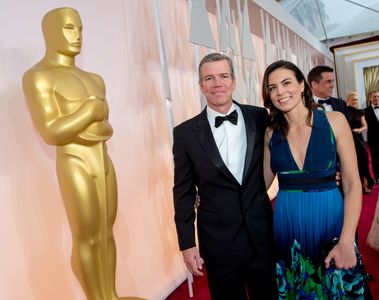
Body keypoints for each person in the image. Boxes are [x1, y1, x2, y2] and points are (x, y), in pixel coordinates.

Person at [22, 8, 142, 300]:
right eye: (67, 29)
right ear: (50, 32)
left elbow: (106, 128)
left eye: (79, 29)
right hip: (74, 159)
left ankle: (110, 295)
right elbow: (51, 131)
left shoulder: (94, 79)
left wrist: (91, 122)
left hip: (102, 158)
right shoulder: (39, 77)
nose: (76, 36)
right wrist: (90, 111)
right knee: (87, 236)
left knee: (106, 232)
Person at [172, 53, 277, 299]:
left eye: (223, 76)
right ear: (201, 86)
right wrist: (187, 243)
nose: (217, 83)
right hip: (218, 242)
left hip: (261, 233)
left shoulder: (260, 117)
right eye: (209, 78)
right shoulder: (185, 133)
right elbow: (183, 192)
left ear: (234, 81)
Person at [262, 60, 365, 298]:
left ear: (301, 85)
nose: (280, 92)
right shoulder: (271, 133)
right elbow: (259, 185)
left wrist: (347, 240)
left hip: (330, 222)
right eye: (273, 87)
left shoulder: (335, 121)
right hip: (288, 227)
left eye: (286, 83)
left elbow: (351, 184)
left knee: (336, 290)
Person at [346, 91, 374, 193]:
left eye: (356, 99)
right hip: (348, 140)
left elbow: (365, 125)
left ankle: (365, 184)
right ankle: (356, 186)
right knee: (353, 163)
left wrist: (360, 130)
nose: (355, 101)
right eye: (353, 99)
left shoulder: (360, 112)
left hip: (359, 139)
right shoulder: (343, 111)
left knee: (363, 161)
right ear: (348, 99)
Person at [365, 90, 379, 183]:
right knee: (376, 159)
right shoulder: (365, 111)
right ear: (370, 98)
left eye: (378, 96)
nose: (376, 98)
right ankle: (377, 177)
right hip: (374, 139)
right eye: (374, 96)